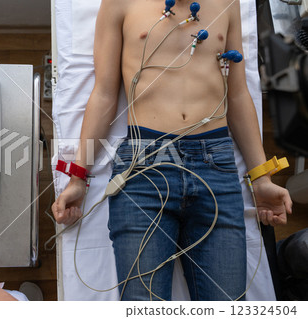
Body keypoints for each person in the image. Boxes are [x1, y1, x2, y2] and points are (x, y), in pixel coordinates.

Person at [52, 0, 292, 301]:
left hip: (215, 165)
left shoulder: (227, 4)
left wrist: (261, 178)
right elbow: (103, 93)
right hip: (142, 169)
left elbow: (240, 94)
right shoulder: (119, 4)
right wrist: (78, 177)